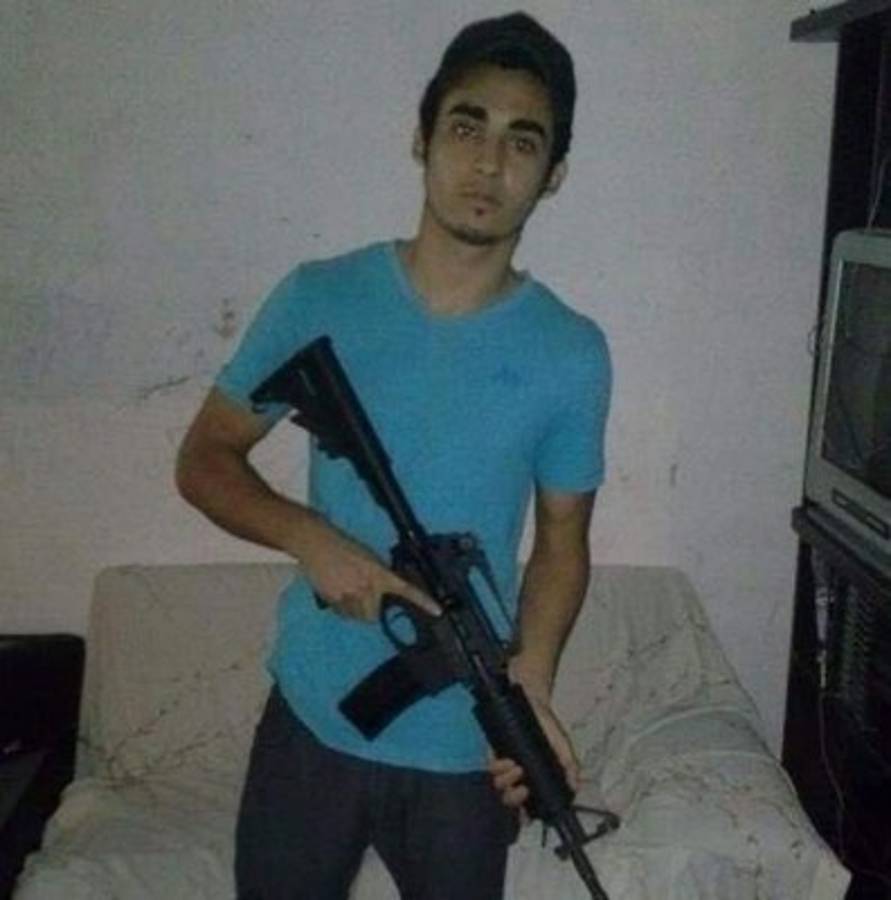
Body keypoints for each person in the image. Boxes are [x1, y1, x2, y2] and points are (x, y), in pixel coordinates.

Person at [175, 11, 611, 900]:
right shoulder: (318, 297)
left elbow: (562, 544)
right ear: (421, 138)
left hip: (464, 750)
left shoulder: (571, 352)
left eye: (521, 141)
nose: (488, 163)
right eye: (466, 126)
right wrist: (313, 541)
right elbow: (205, 458)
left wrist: (527, 688)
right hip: (310, 721)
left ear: (554, 174)